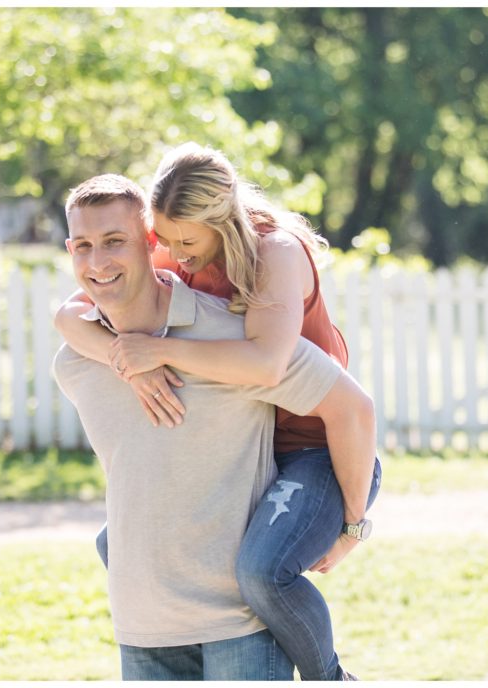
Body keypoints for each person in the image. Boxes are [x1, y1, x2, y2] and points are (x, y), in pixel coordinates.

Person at [55, 143, 379, 680]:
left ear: (222, 220)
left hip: (322, 443)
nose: (174, 254)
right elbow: (73, 310)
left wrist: (351, 527)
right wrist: (127, 362)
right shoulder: (174, 246)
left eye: (185, 241)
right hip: (267, 434)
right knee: (119, 542)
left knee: (261, 574)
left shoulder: (273, 253)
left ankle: (329, 676)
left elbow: (267, 364)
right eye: (163, 240)